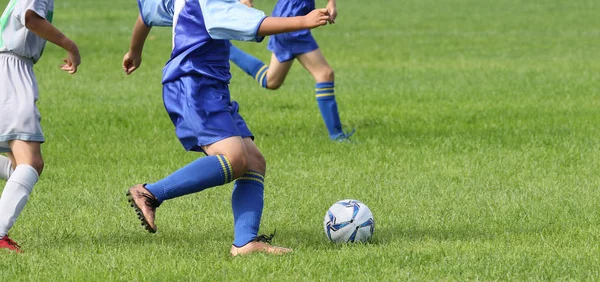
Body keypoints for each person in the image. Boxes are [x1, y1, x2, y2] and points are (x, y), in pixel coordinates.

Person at [123, 0, 331, 256]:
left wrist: (135, 51)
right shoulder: (212, 3)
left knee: (253, 161)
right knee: (234, 159)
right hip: (194, 87)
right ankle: (150, 193)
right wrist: (304, 21)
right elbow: (258, 25)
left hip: (211, 88)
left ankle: (244, 243)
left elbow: (147, 12)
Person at [0, 0, 80, 252]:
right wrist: (70, 45)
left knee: (19, 166)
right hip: (11, 71)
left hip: (9, 68)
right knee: (31, 163)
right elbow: (30, 18)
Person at [229, 0, 354, 141]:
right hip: (291, 16)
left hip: (294, 15)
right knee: (324, 74)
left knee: (271, 81)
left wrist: (331, 3)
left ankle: (227, 48)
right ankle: (337, 136)